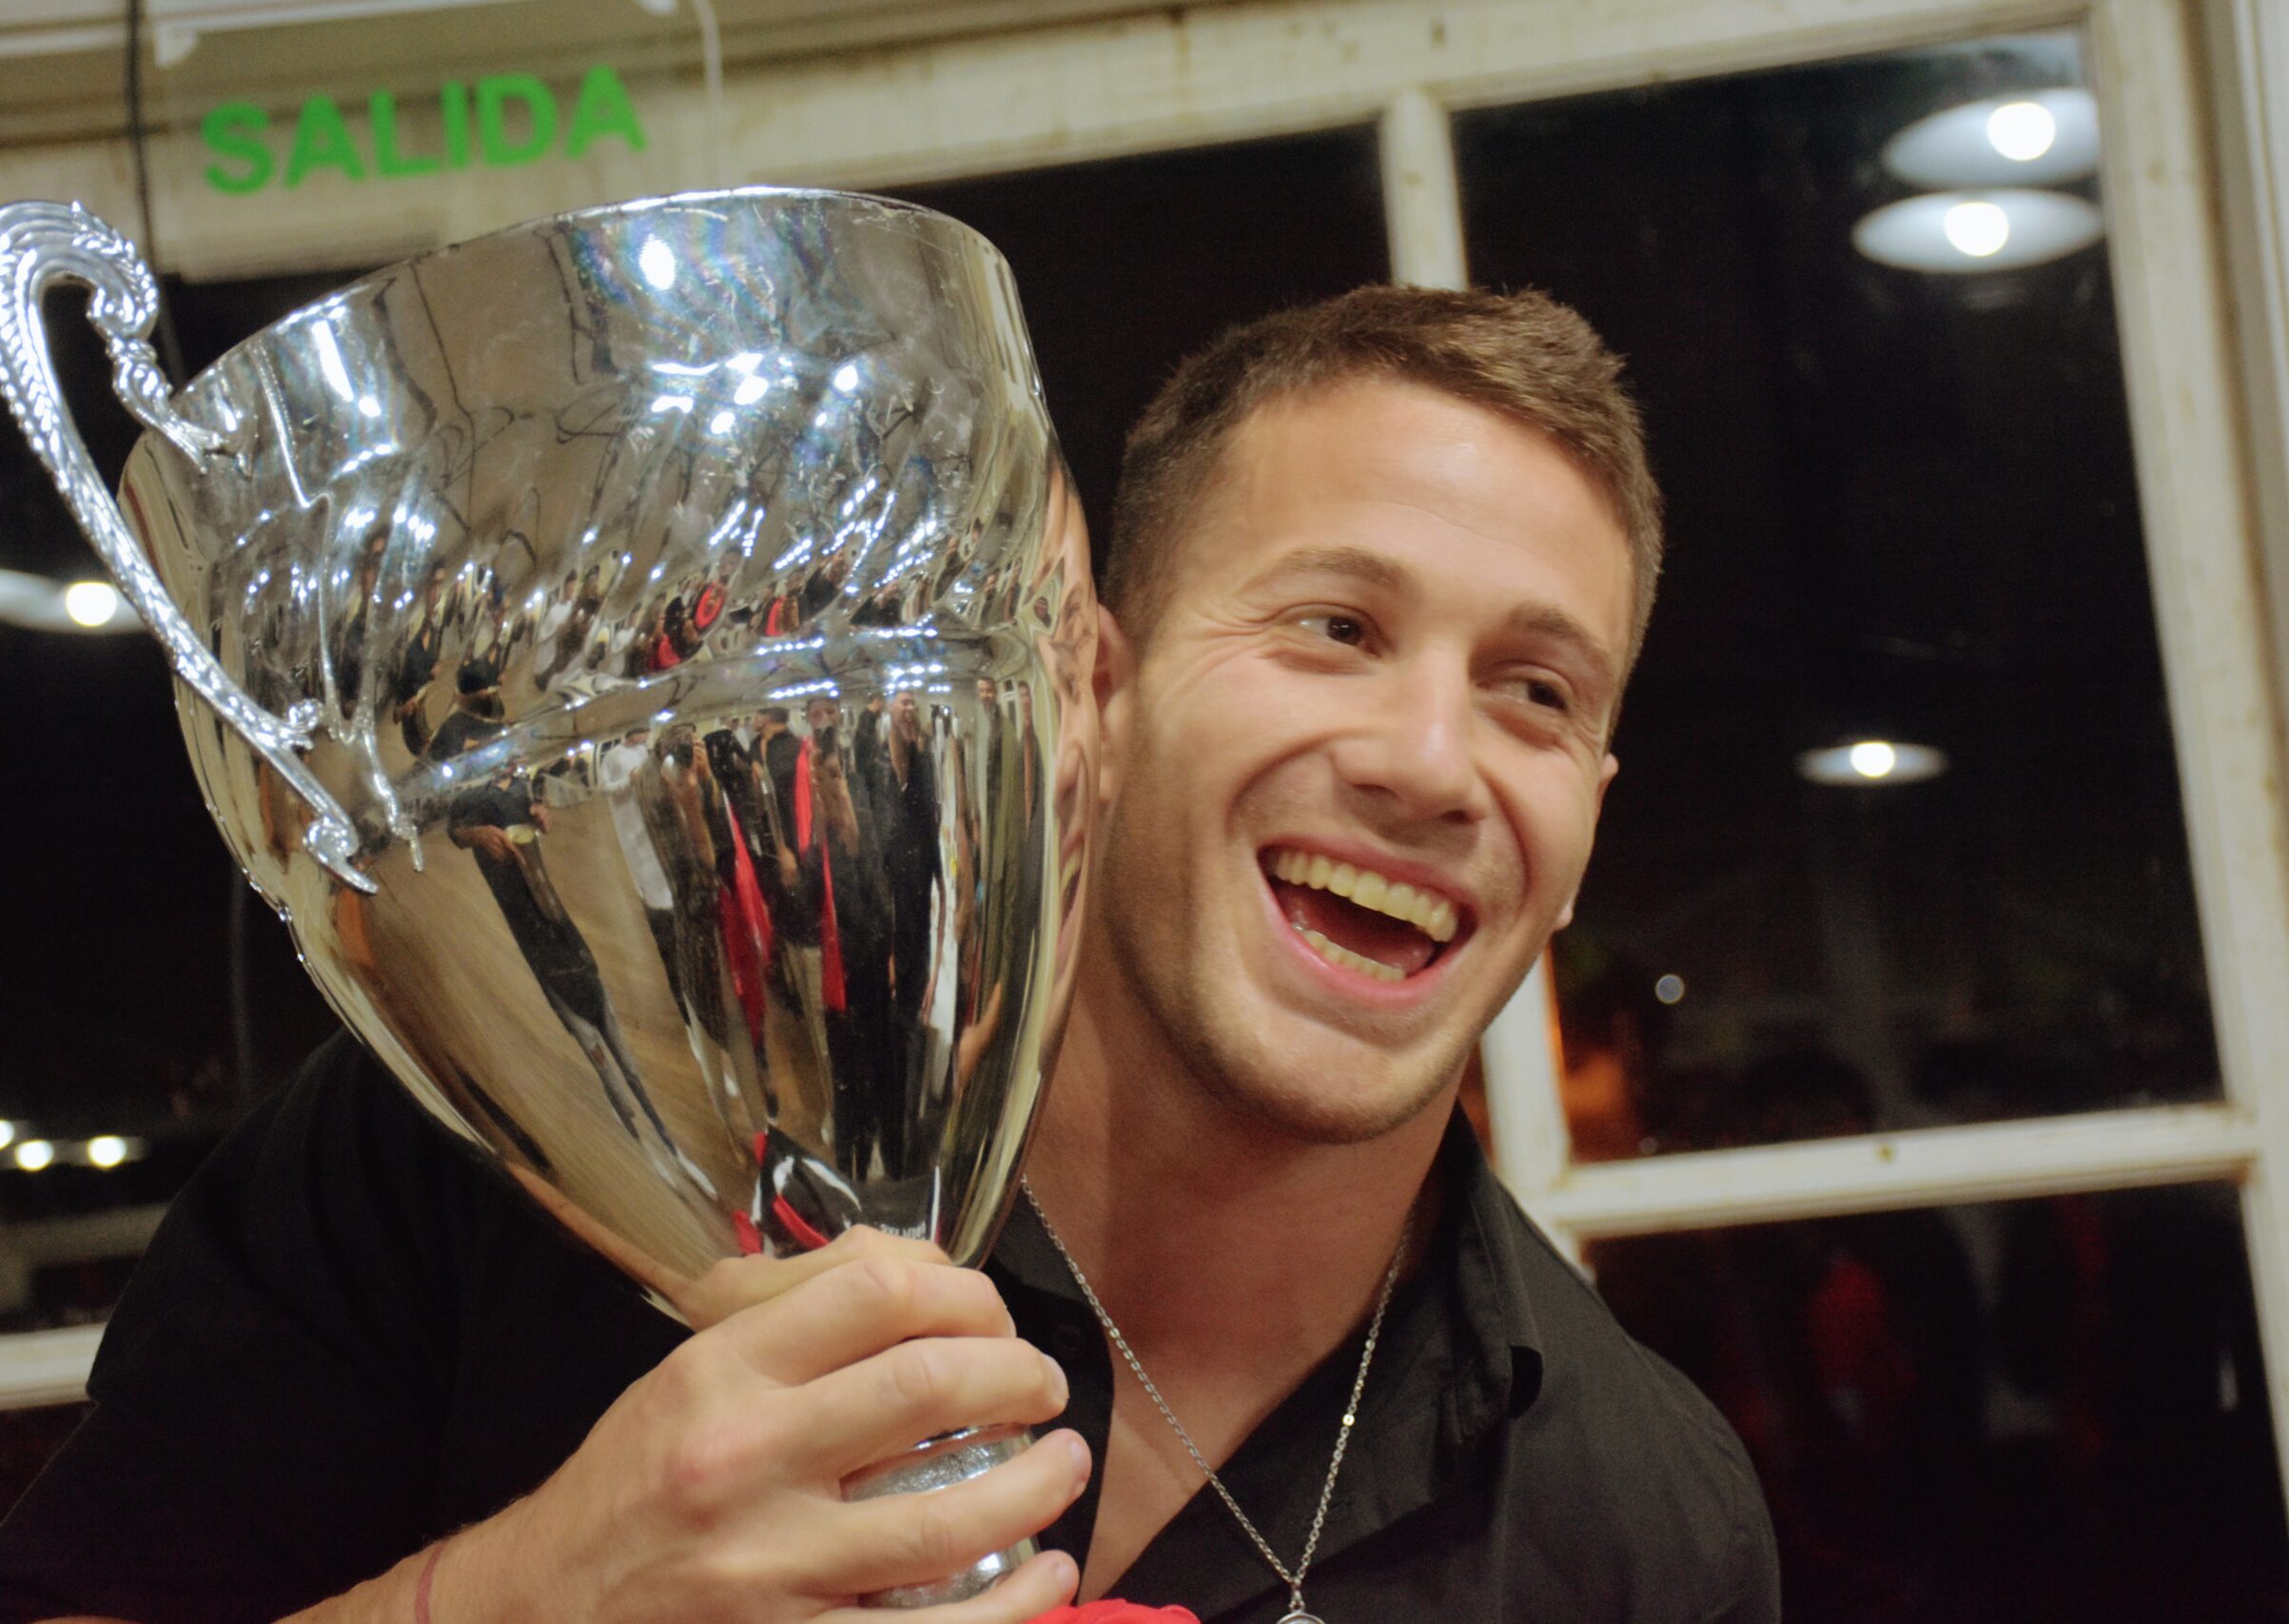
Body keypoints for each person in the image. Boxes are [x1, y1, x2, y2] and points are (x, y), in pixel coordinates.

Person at [0, 286, 1774, 1624]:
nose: (1433, 763)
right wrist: (534, 1595)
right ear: (1091, 692)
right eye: (1336, 626)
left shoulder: (1645, 1523)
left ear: (1587, 819)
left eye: (1537, 692)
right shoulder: (531, 1132)